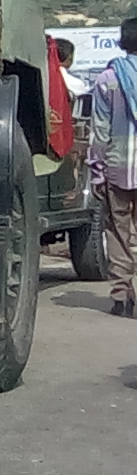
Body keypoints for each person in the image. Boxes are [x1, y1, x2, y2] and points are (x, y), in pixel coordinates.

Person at [91, 17, 137, 319]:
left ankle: (122, 296)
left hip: (117, 167)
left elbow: (100, 130)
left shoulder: (108, 78)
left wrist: (97, 171)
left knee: (119, 233)